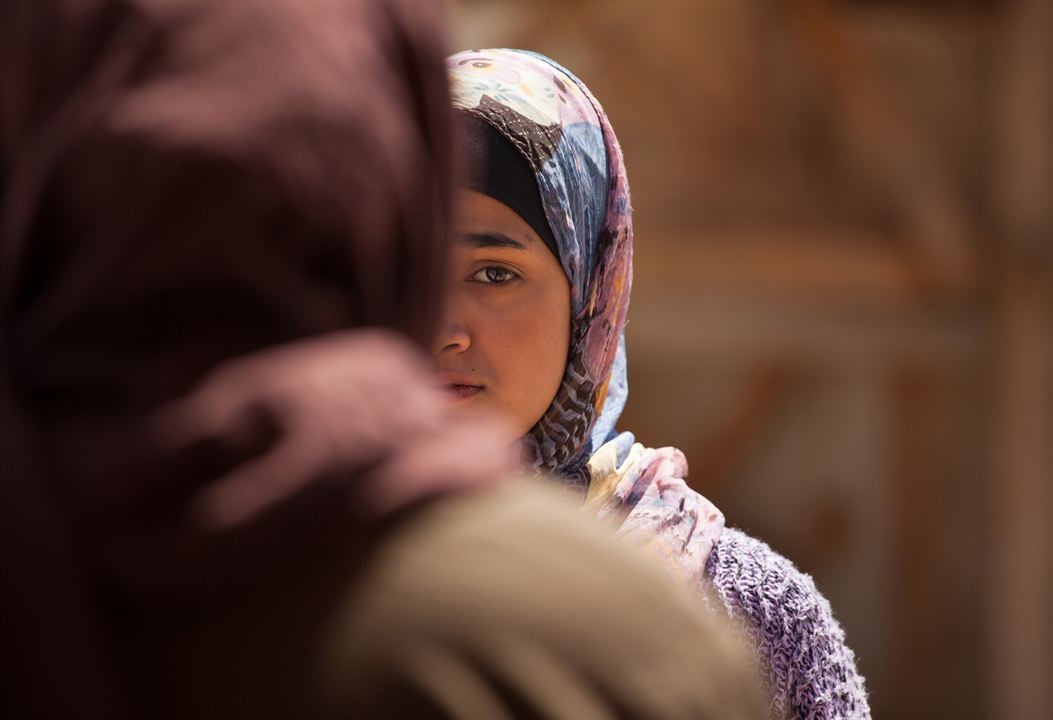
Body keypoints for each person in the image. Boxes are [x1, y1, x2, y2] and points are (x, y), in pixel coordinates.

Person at [0, 3, 766, 719]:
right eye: (424, 269)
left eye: (494, 274)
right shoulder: (622, 651)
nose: (443, 329)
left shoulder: (730, 597)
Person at [439, 48, 871, 719]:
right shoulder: (277, 583)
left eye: (493, 273)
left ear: (591, 296)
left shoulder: (744, 612)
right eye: (406, 271)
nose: (442, 329)